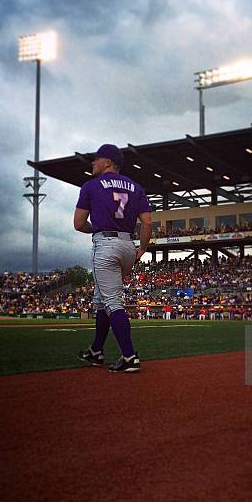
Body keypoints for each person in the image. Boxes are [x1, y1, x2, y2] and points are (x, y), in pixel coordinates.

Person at [74, 144, 152, 373]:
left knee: (111, 302)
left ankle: (129, 356)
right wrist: (142, 249)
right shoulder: (135, 187)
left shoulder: (90, 185)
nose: (92, 163)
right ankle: (96, 350)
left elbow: (78, 224)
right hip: (129, 245)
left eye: (96, 159)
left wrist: (97, 228)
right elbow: (147, 223)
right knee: (101, 300)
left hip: (106, 243)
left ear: (107, 162)